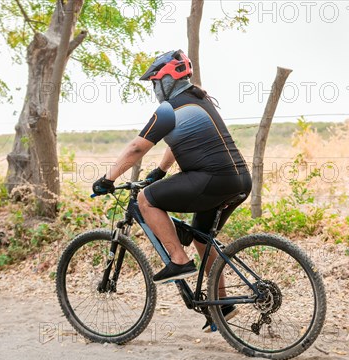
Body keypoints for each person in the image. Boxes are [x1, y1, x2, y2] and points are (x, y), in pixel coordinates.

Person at [92, 50, 252, 330]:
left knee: (146, 199)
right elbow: (178, 141)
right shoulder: (199, 100)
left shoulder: (168, 109)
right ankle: (222, 304)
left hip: (211, 180)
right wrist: (160, 171)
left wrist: (108, 179)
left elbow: (137, 147)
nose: (154, 89)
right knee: (203, 238)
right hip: (238, 180)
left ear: (168, 79)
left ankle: (179, 259)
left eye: (155, 82)